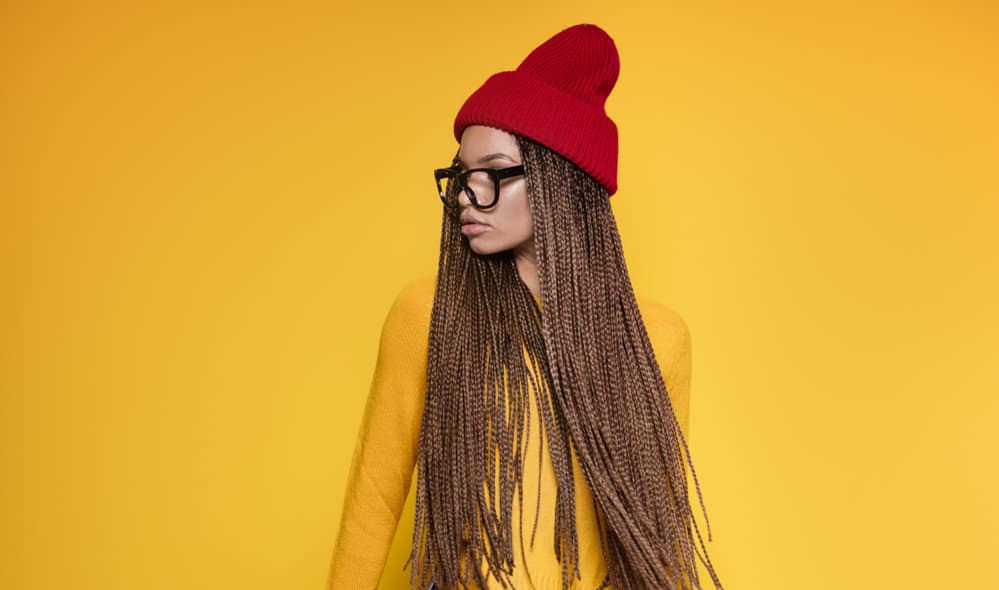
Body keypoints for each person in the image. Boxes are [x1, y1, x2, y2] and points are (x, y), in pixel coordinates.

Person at [327, 23, 724, 590]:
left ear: (559, 181)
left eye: (492, 173)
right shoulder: (428, 315)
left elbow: (660, 530)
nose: (466, 193)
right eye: (462, 175)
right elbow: (372, 501)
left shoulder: (656, 339)